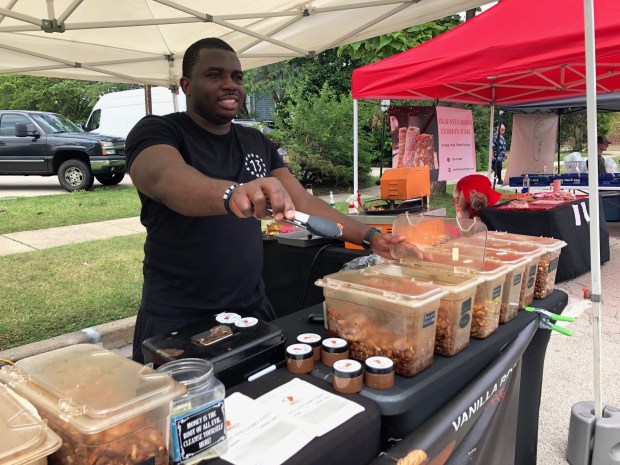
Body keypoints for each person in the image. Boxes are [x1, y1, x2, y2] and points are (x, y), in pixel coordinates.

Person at [125, 37, 407, 363]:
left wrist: (371, 237)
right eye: (215, 75)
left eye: (237, 77)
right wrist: (233, 193)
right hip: (178, 319)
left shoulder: (255, 140)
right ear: (187, 85)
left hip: (250, 309)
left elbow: (300, 199)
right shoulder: (158, 131)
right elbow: (165, 180)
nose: (230, 84)